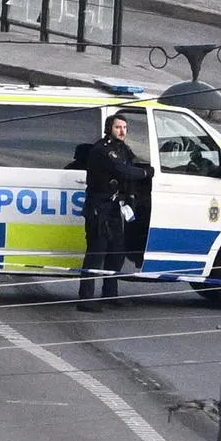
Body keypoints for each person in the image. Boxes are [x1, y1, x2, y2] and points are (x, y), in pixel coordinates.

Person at [78, 113, 152, 312]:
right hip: (99, 209)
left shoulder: (123, 149)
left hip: (114, 209)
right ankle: (85, 299)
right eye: (118, 127)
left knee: (117, 253)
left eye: (125, 128)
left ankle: (110, 294)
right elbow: (124, 172)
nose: (122, 131)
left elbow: (131, 169)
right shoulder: (103, 150)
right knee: (96, 253)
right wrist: (147, 173)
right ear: (109, 128)